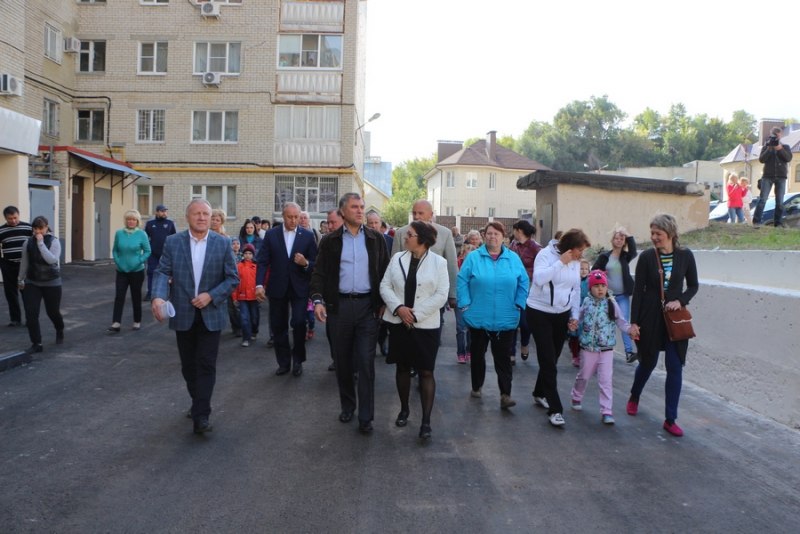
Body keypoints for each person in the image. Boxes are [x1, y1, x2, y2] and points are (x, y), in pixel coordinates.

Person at [151, 199, 239, 434]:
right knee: (189, 365)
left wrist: (211, 295)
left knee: (206, 364)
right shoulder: (173, 242)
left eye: (205, 214)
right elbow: (162, 271)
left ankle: (201, 414)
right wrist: (158, 297)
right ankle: (198, 399)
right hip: (183, 312)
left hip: (211, 313)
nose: (201, 217)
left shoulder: (223, 243)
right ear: (188, 217)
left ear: (211, 218)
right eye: (196, 214)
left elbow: (232, 278)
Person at [311, 193, 389, 433]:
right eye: (354, 207)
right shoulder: (330, 240)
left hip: (368, 308)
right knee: (343, 362)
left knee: (366, 363)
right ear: (343, 212)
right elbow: (319, 273)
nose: (359, 210)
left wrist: (385, 301)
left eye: (362, 207)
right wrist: (317, 300)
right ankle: (348, 406)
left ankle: (366, 416)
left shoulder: (376, 239)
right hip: (339, 307)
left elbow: (386, 272)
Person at [627, 214, 699, 437]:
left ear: (671, 234)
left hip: (674, 319)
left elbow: (693, 286)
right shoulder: (647, 257)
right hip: (649, 317)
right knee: (648, 363)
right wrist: (634, 322)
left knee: (675, 367)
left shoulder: (685, 256)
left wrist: (681, 300)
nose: (654, 238)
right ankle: (635, 395)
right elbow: (638, 291)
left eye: (658, 234)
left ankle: (670, 418)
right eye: (652, 233)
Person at [380, 221, 449, 439]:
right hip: (400, 323)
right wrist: (399, 308)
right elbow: (385, 286)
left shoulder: (439, 263)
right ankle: (404, 409)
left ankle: (426, 421)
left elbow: (441, 295)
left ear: (423, 239)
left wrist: (415, 314)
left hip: (425, 325)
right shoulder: (397, 258)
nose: (405, 237)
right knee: (402, 367)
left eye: (410, 234)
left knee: (426, 371)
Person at [457, 221, 529, 409]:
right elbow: (462, 280)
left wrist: (518, 305)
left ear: (503, 237)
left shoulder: (513, 258)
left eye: (496, 234)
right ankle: (476, 386)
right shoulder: (473, 258)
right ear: (484, 236)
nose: (492, 237)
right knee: (478, 355)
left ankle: (505, 394)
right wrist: (465, 306)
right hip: (478, 316)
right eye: (489, 233)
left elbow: (524, 282)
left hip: (506, 317)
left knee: (503, 358)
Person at [527, 228, 591, 427]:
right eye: (579, 250)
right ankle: (555, 410)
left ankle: (539, 392)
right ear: (569, 247)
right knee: (548, 360)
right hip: (539, 312)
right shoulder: (545, 255)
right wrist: (560, 262)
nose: (581, 255)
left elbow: (575, 290)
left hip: (561, 314)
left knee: (552, 359)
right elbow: (539, 279)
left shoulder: (576, 262)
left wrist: (574, 316)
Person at [255, 202, 317, 376]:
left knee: (298, 322)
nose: (293, 220)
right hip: (277, 287)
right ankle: (283, 361)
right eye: (290, 217)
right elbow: (262, 261)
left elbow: (316, 263)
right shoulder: (271, 235)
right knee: (278, 326)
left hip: (299, 287)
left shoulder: (307, 235)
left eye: (296, 217)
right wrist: (259, 284)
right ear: (283, 216)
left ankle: (298, 360)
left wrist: (305, 263)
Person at [569, 270, 638, 424]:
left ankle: (607, 411)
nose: (600, 289)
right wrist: (573, 323)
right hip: (588, 348)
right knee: (584, 375)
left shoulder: (611, 303)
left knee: (605, 380)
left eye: (602, 286)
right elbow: (579, 317)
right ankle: (576, 396)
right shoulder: (586, 302)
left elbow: (621, 321)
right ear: (590, 288)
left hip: (606, 349)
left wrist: (629, 330)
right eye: (596, 286)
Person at [391, 200, 459, 345]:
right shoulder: (401, 233)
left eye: (420, 213)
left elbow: (452, 266)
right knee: (405, 340)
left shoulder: (445, 234)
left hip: (432, 298)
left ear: (431, 215)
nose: (416, 216)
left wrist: (453, 295)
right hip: (405, 298)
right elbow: (392, 268)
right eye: (414, 213)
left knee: (429, 342)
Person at [17, 216, 64, 354]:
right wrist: (20, 280)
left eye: (41, 228)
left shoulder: (54, 241)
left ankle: (59, 327)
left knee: (53, 312)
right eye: (35, 229)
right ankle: (36, 343)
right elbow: (24, 262)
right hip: (33, 281)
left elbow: (51, 260)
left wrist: (41, 243)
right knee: (31, 313)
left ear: (46, 227)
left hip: (52, 282)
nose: (38, 232)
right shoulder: (27, 243)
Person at [592, 228, 638, 363]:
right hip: (608, 297)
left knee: (624, 322)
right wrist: (602, 275)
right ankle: (598, 350)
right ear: (612, 240)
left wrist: (628, 235)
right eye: (617, 238)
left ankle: (629, 352)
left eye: (622, 239)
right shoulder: (604, 257)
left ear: (624, 242)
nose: (619, 240)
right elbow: (594, 271)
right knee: (603, 323)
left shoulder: (625, 256)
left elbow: (634, 251)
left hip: (623, 296)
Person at [109, 210, 151, 332]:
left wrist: (139, 261)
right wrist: (117, 261)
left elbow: (148, 251)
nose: (131, 222)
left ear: (137, 221)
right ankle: (116, 323)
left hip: (136, 271)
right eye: (129, 219)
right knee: (119, 296)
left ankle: (137, 321)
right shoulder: (119, 233)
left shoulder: (141, 234)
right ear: (125, 220)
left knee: (136, 296)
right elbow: (115, 249)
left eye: (134, 219)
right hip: (121, 270)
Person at [508, 219, 542, 365]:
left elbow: (541, 267)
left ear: (519, 231)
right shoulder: (513, 245)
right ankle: (511, 353)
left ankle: (525, 343)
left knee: (525, 321)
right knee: (513, 319)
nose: (513, 233)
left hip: (529, 286)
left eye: (514, 230)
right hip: (512, 285)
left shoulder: (536, 248)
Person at [753, 126, 793, 228]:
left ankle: (778, 223)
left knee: (780, 202)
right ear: (771, 135)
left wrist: (780, 149)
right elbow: (762, 159)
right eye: (774, 135)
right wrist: (770, 149)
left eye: (778, 135)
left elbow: (788, 158)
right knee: (762, 200)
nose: (776, 137)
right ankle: (756, 222)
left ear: (781, 135)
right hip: (767, 176)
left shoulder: (786, 147)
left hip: (781, 176)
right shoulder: (766, 147)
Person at [1, 206, 33, 326]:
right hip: (8, 264)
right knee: (10, 293)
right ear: (5, 218)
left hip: (25, 265)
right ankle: (15, 319)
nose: (13, 221)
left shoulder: (28, 227)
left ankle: (30, 318)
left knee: (27, 293)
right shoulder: (1, 231)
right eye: (10, 219)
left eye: (15, 217)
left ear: (18, 215)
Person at [320, 208, 344, 371]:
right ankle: (337, 359)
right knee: (332, 333)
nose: (329, 226)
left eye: (332, 222)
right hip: (332, 297)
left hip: (353, 298)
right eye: (328, 222)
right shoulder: (326, 241)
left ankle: (352, 366)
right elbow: (320, 269)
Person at [367, 212, 392, 355]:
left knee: (383, 319)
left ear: (380, 224)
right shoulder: (362, 239)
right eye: (371, 223)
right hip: (368, 286)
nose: (374, 226)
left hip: (385, 284)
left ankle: (382, 343)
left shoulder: (389, 240)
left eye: (376, 223)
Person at [143, 205, 176, 302]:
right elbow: (145, 238)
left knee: (169, 273)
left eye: (165, 211)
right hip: (153, 253)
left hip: (167, 253)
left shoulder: (170, 223)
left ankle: (170, 293)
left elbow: (175, 237)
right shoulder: (150, 223)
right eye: (162, 211)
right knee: (151, 272)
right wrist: (148, 249)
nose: (164, 213)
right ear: (157, 212)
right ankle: (150, 292)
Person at [454, 244, 476, 363]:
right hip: (459, 299)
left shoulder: (478, 266)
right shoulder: (457, 264)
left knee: (471, 327)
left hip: (473, 300)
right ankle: (461, 352)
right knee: (460, 327)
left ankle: (469, 351)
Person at [233, 244, 259, 347]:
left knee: (254, 317)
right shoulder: (238, 266)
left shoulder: (257, 266)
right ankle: (246, 338)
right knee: (244, 318)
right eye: (246, 253)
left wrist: (260, 293)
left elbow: (260, 282)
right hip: (242, 296)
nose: (248, 255)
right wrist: (234, 297)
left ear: (253, 254)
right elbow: (235, 282)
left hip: (254, 296)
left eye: (250, 253)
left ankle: (254, 331)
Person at [567, 260, 590, 368]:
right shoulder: (574, 280)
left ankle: (584, 355)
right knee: (575, 334)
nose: (584, 271)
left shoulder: (590, 282)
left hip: (586, 310)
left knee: (585, 333)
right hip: (574, 309)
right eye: (582, 268)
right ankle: (575, 355)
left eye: (586, 269)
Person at [228, 237, 242, 336]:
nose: (235, 245)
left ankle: (240, 327)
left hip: (240, 285)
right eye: (233, 244)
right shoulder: (228, 256)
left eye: (237, 243)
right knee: (231, 308)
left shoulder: (243, 256)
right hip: (230, 284)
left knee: (238, 307)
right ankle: (234, 326)